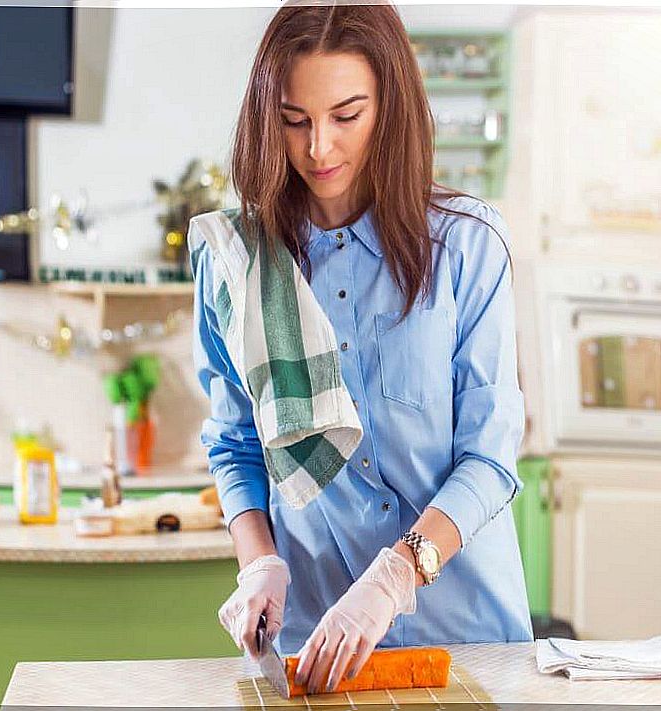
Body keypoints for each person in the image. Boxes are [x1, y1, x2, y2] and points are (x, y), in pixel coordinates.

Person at [190, 0, 531, 696]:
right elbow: (234, 443)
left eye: (347, 116)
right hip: (319, 642)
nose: (319, 147)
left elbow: (491, 456)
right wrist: (259, 562)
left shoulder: (468, 245)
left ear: (390, 108)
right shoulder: (238, 262)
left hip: (466, 632)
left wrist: (396, 571)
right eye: (294, 120)